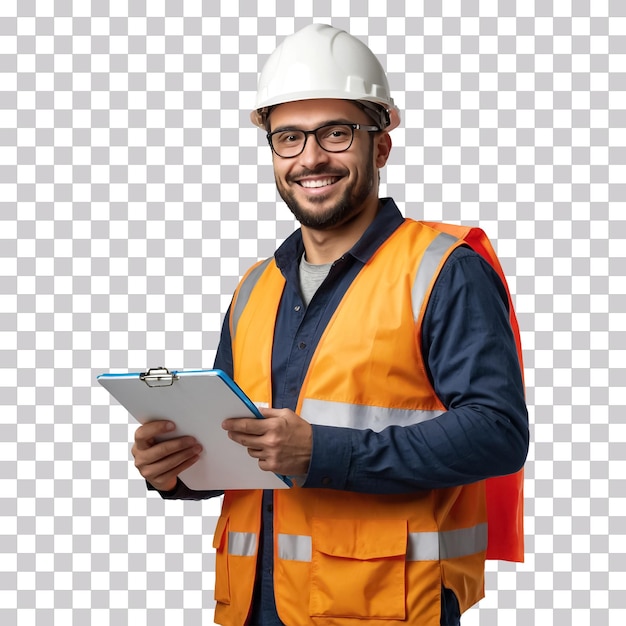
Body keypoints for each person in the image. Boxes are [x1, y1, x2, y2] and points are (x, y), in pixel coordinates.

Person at [131, 23, 529, 626]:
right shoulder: (254, 286)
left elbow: (497, 432)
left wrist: (322, 451)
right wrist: (180, 469)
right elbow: (239, 441)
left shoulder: (444, 270)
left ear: (381, 146)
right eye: (288, 138)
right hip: (253, 605)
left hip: (382, 603)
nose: (310, 157)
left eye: (335, 133)